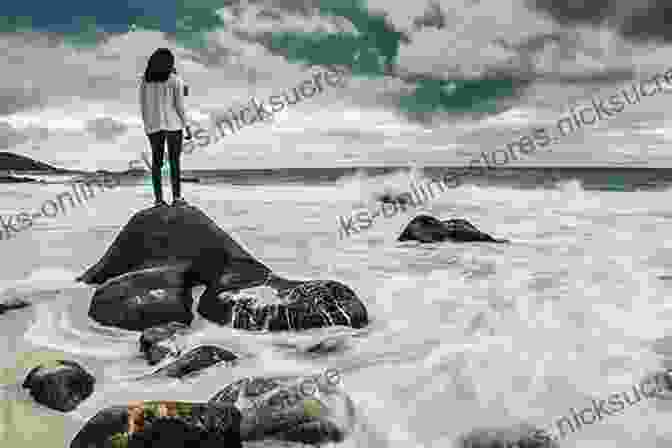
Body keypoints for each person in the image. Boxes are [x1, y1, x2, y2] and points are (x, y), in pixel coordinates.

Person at [139, 48, 192, 207]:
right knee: (175, 161)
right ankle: (176, 198)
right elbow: (180, 105)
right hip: (173, 125)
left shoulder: (144, 81)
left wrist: (148, 126)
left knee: (157, 163)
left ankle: (158, 200)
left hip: (153, 126)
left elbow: (143, 105)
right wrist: (187, 126)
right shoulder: (174, 80)